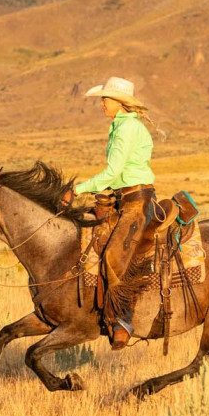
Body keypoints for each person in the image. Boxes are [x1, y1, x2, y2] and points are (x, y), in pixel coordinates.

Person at [68, 76, 156, 348]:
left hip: (136, 200)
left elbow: (112, 172)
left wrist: (77, 190)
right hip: (125, 196)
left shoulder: (127, 128)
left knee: (115, 254)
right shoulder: (120, 125)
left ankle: (124, 320)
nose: (102, 104)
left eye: (105, 99)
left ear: (119, 102)